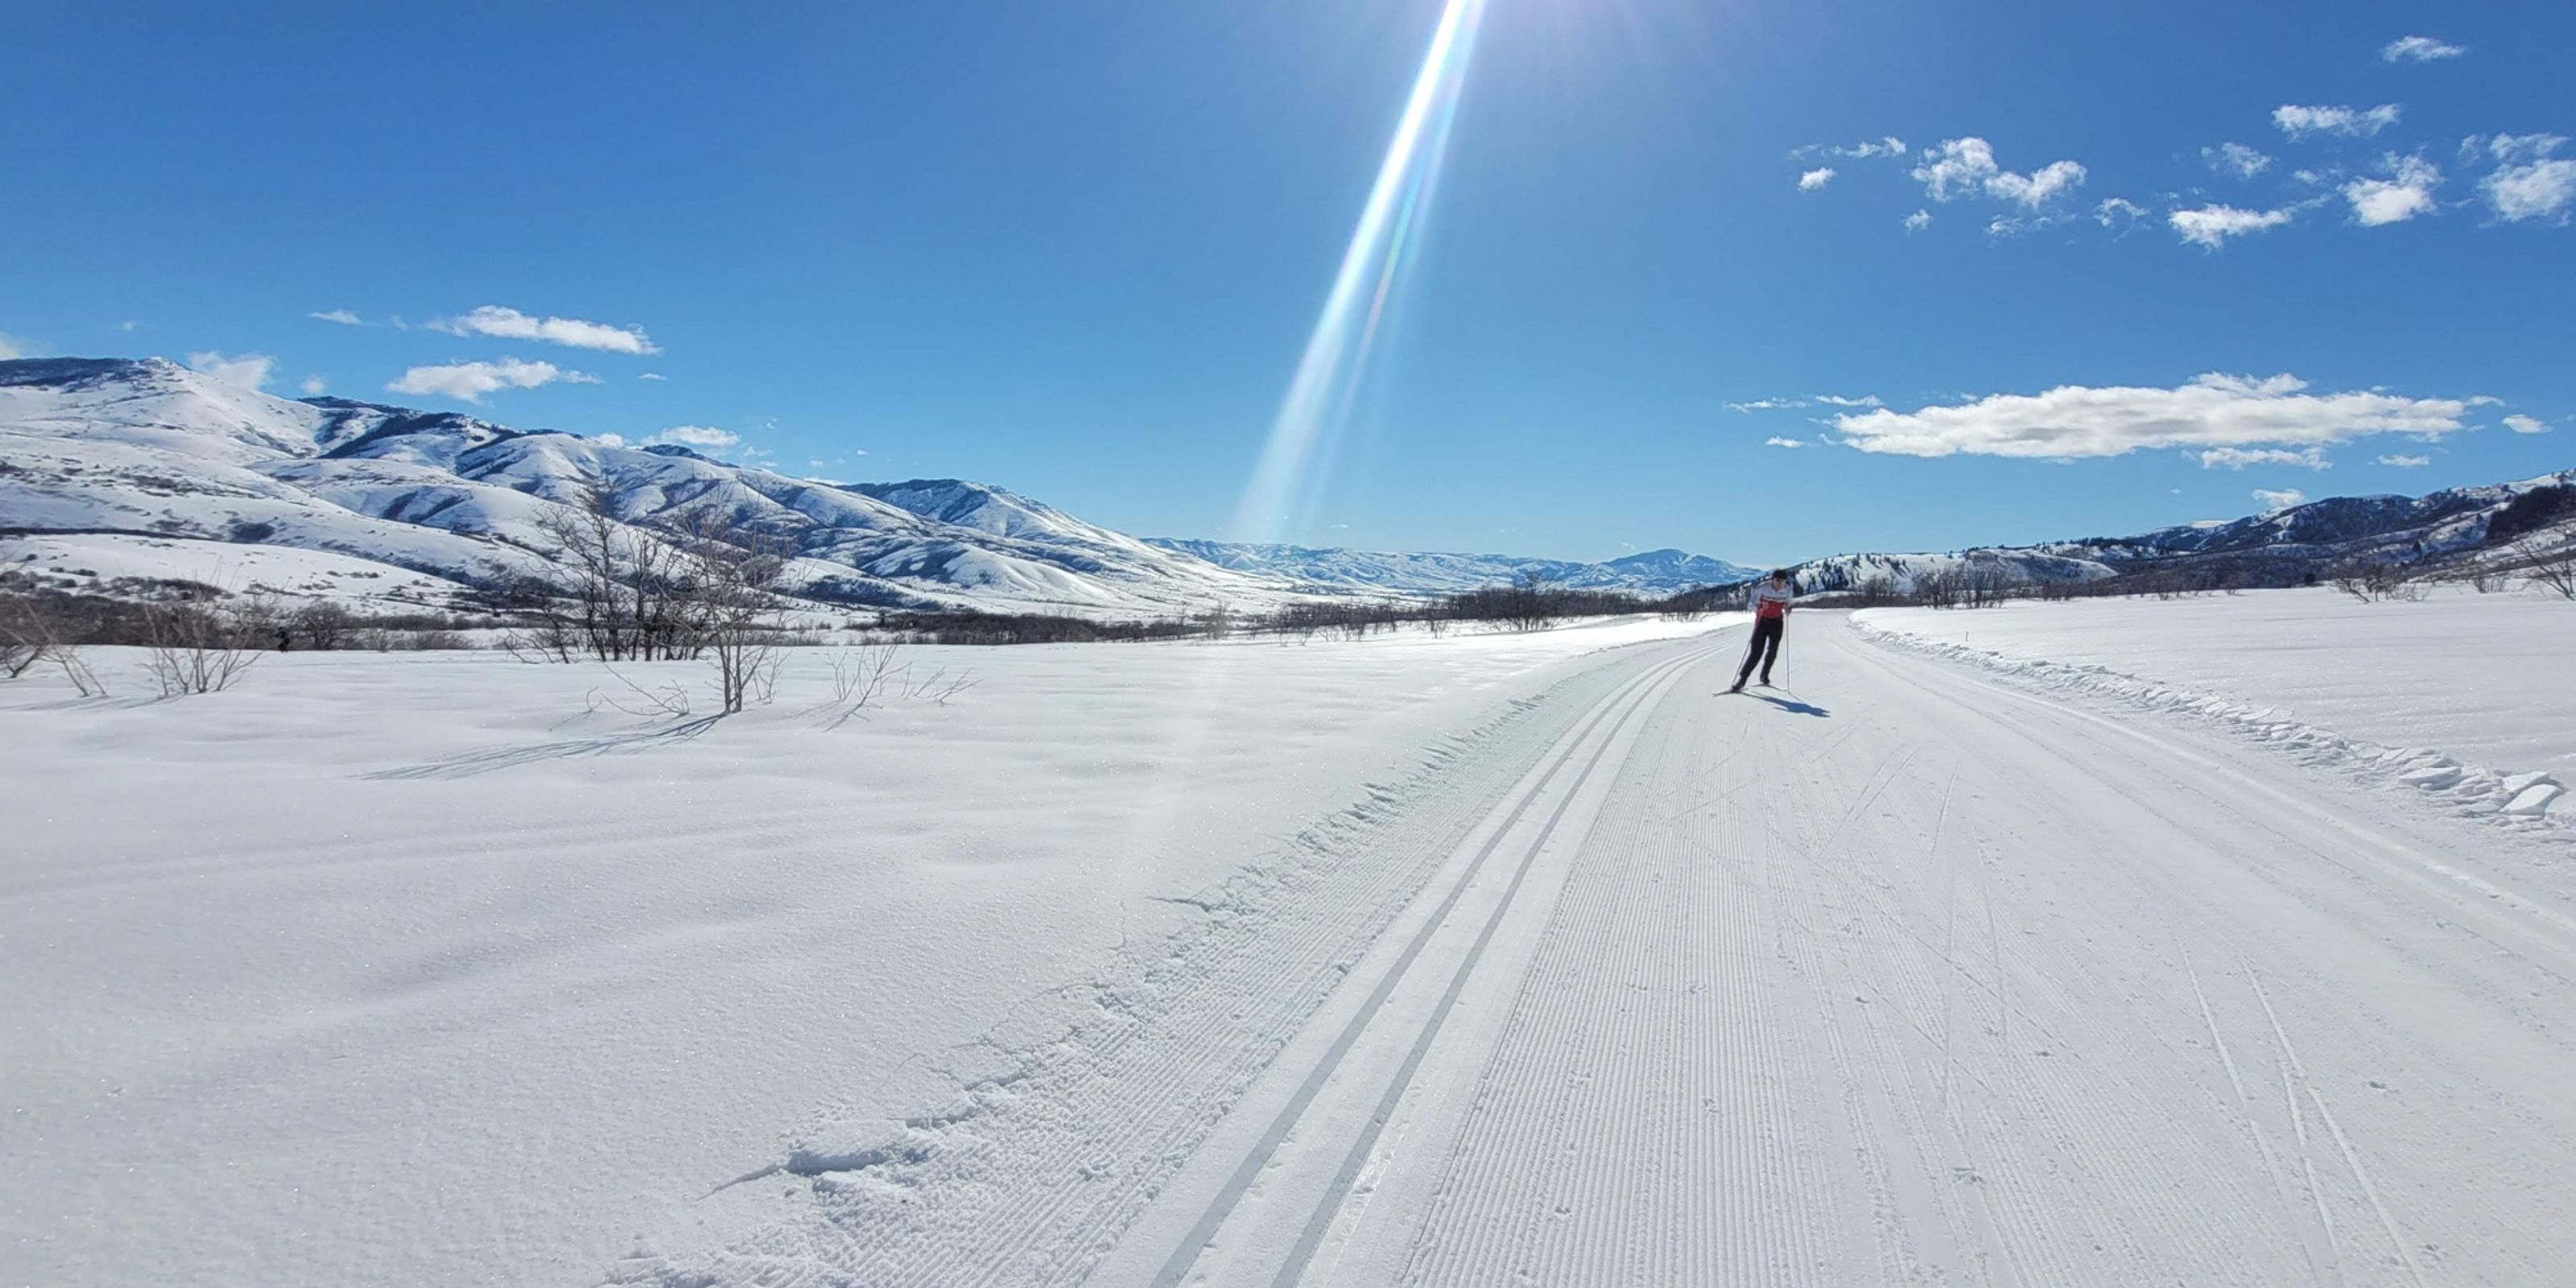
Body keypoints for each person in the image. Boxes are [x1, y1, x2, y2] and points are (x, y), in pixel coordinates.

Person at [1727, 569, 1794, 692]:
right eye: (1778, 581)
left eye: (1783, 581)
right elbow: (1750, 604)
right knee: (1756, 653)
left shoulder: (1788, 589)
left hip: (1777, 621)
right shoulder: (1763, 588)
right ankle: (1742, 679)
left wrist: (1788, 608)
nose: (1781, 584)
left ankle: (1765, 675)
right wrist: (1758, 607)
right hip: (1762, 621)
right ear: (1772, 579)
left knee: (1773, 650)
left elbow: (1788, 603)